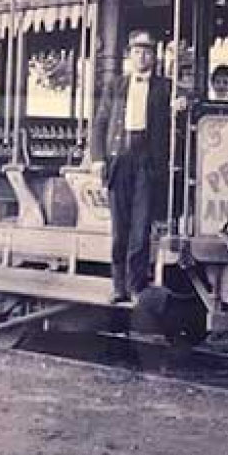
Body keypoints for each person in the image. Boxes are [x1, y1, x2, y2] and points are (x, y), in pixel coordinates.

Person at [90, 30, 172, 304]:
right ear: (129, 56)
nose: (142, 57)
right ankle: (118, 286)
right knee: (119, 229)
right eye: (137, 52)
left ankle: (136, 285)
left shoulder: (165, 87)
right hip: (119, 160)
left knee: (141, 228)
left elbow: (180, 115)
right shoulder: (116, 86)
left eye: (147, 52)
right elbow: (100, 123)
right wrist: (99, 158)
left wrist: (182, 106)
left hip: (147, 162)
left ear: (154, 57)